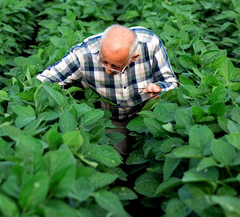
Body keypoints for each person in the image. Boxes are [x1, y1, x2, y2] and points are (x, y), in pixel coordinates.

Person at [37, 24, 178, 156]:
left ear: (133, 58)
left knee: (152, 152)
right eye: (103, 62)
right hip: (110, 118)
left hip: (146, 115)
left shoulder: (151, 45)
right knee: (116, 156)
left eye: (116, 66)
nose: (108, 70)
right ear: (100, 43)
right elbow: (44, 80)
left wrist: (159, 88)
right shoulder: (83, 54)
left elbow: (170, 82)